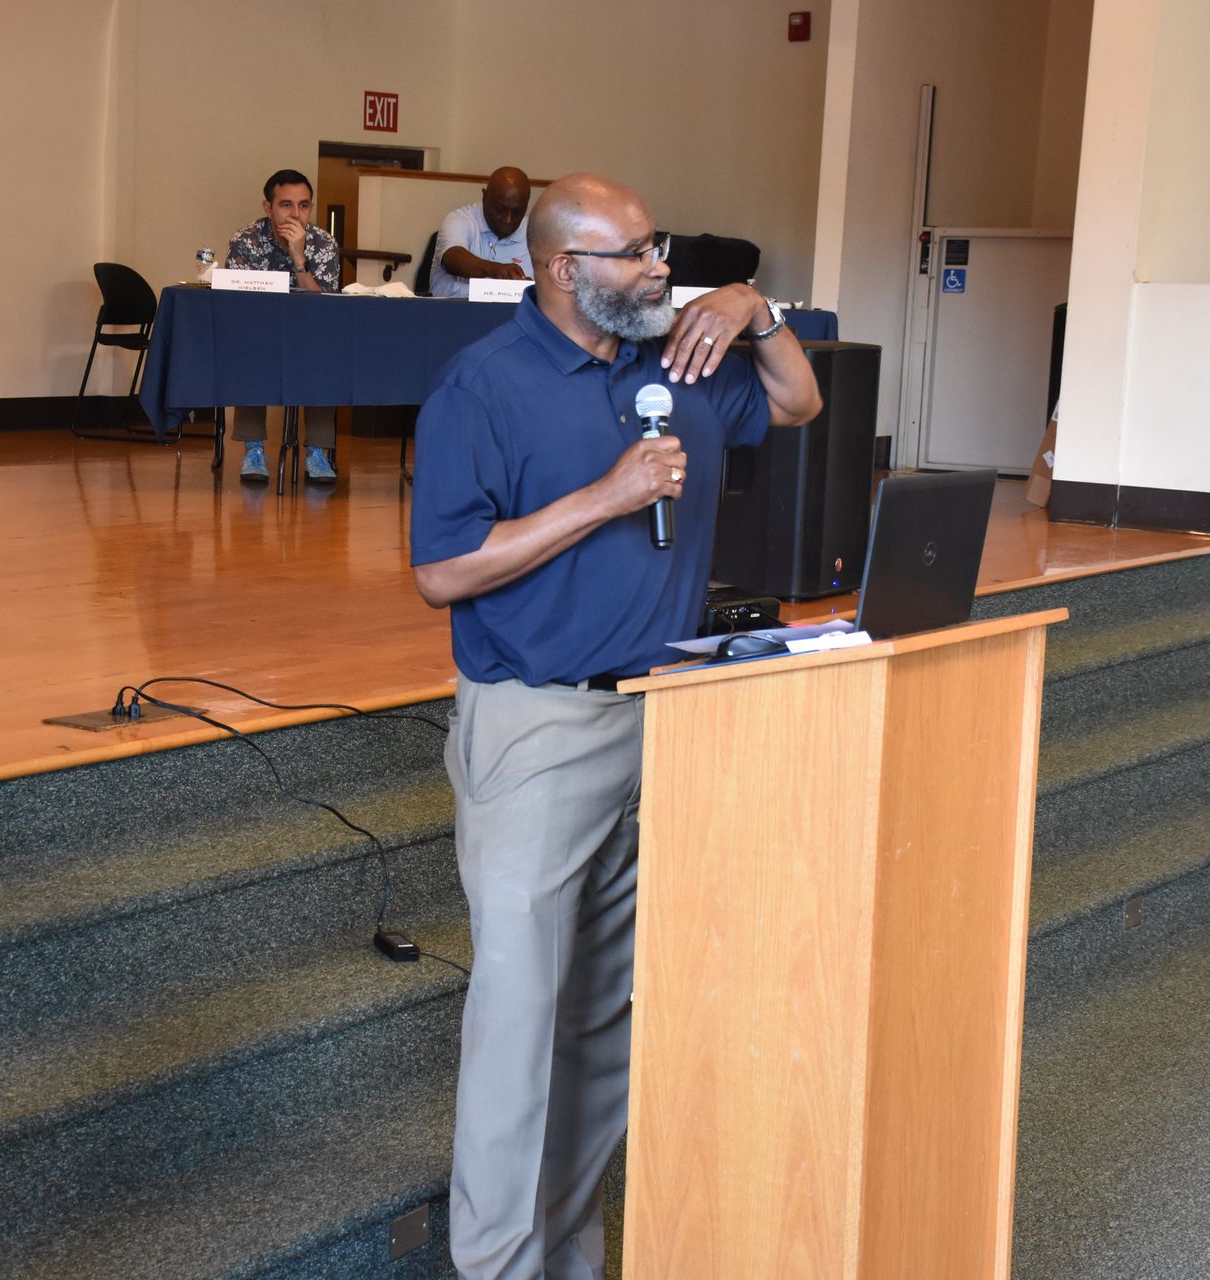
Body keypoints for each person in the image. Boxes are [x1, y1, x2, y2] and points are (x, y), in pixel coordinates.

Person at [409, 173, 821, 1279]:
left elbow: (797, 403)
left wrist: (756, 308)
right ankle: (492, 1264)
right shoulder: (482, 386)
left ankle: (566, 1252)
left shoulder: (675, 358)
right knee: (518, 1024)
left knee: (601, 1023)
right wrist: (608, 493)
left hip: (666, 719)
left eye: (660, 247)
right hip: (538, 728)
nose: (658, 269)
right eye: (633, 253)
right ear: (560, 271)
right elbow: (444, 570)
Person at [224, 168, 342, 484]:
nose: (295, 214)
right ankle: (253, 450)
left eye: (304, 205)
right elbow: (237, 305)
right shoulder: (245, 240)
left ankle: (317, 453)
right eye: (286, 205)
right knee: (248, 350)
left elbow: (325, 308)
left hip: (309, 334)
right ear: (268, 207)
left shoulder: (324, 244)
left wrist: (299, 259)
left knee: (326, 355)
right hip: (260, 331)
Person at [428, 165, 533, 299]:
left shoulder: (535, 232)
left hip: (510, 317)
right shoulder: (460, 219)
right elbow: (451, 258)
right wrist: (495, 270)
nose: (508, 219)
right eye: (500, 209)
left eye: (517, 212)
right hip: (451, 315)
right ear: (484, 197)